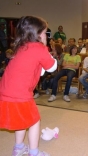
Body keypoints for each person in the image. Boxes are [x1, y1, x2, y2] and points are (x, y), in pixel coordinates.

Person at [0, 16, 57, 156]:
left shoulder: (22, 47)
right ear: (38, 34)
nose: (46, 36)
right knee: (34, 121)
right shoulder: (39, 48)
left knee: (22, 121)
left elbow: (32, 67)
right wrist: (49, 52)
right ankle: (34, 152)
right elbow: (52, 67)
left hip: (6, 91)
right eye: (45, 33)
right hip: (20, 94)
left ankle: (19, 148)